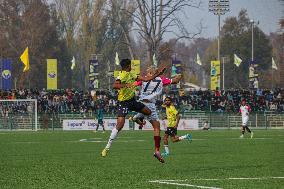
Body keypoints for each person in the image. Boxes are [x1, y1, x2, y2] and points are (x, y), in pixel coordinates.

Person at [101, 59, 166, 162]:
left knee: (148, 112)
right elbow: (115, 85)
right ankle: (107, 147)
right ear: (127, 66)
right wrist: (125, 85)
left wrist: (157, 74)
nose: (131, 66)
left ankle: (136, 118)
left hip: (132, 101)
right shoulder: (122, 75)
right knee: (120, 125)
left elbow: (145, 79)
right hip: (123, 103)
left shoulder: (131, 74)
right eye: (130, 65)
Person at [131, 66, 182, 163]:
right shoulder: (161, 79)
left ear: (151, 73)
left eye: (149, 73)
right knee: (157, 127)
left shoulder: (143, 79)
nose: (147, 74)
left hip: (141, 103)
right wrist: (179, 75)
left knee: (141, 115)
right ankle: (157, 151)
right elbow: (175, 81)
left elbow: (133, 85)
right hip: (150, 105)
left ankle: (137, 119)